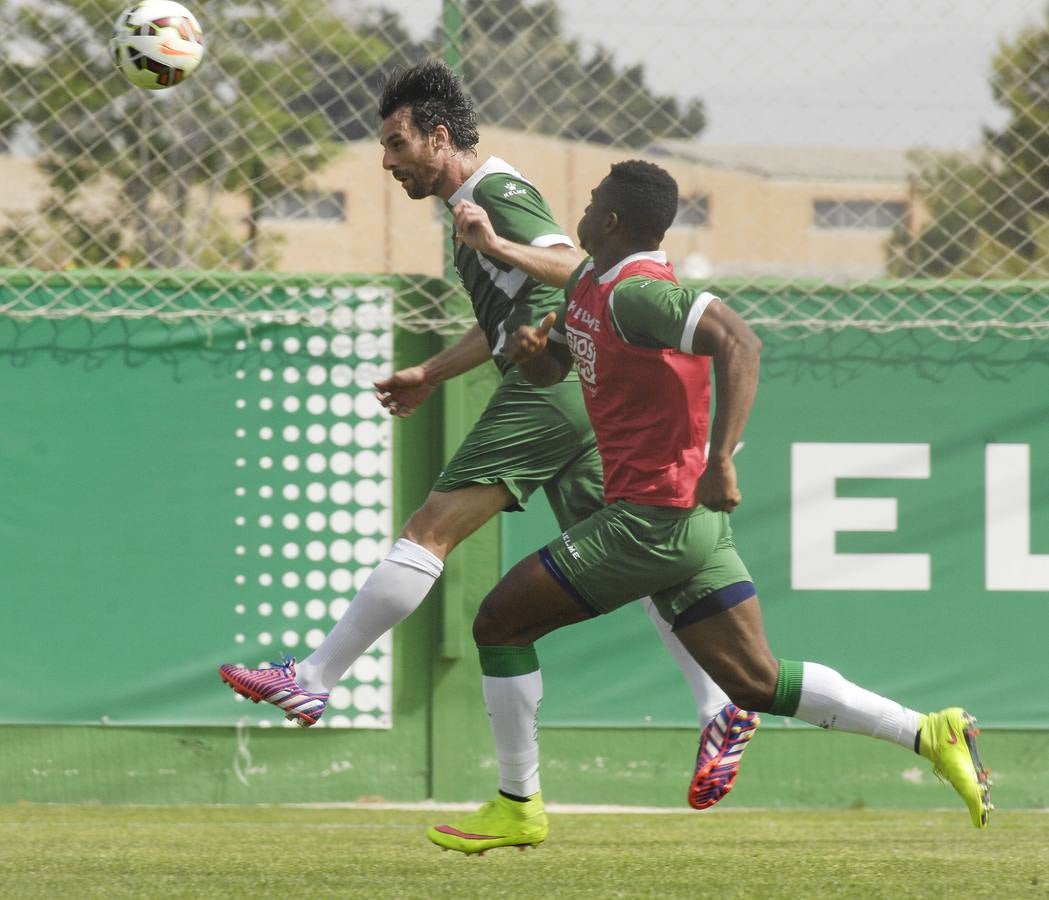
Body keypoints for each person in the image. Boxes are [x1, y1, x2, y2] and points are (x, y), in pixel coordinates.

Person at [218, 61, 758, 814]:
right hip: (578, 396)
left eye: (397, 142)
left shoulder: (494, 194)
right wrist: (433, 373)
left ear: (440, 137)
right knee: (647, 569)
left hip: (553, 391)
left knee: (428, 531)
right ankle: (719, 705)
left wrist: (501, 255)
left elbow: (571, 267)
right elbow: (506, 317)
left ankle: (313, 680)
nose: (386, 160)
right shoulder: (469, 207)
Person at [425, 159, 992, 854]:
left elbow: (737, 340)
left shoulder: (639, 293)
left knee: (499, 624)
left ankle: (517, 804)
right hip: (686, 525)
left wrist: (722, 456)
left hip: (648, 521)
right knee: (755, 681)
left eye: (596, 196)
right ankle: (927, 732)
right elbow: (560, 367)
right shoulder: (589, 285)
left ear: (609, 221)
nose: (586, 201)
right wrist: (533, 353)